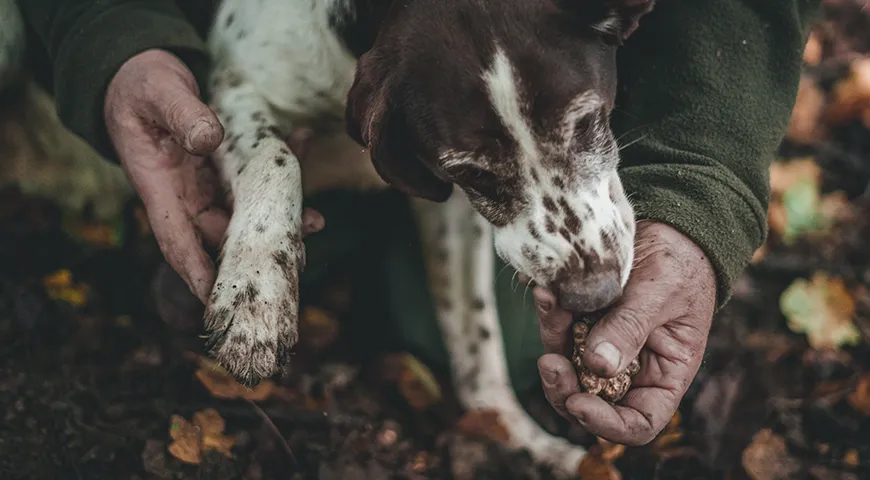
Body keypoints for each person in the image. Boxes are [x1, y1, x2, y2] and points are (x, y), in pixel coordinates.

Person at [17, 0, 820, 446]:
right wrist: (113, 40)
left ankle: (424, 282)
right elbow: (244, 91)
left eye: (584, 129)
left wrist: (696, 194)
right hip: (280, 76)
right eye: (476, 169)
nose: (589, 257)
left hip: (434, 126)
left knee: (511, 355)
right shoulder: (308, 43)